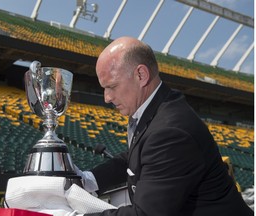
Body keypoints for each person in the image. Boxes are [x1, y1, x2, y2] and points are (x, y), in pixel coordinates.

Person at [76, 36, 253, 216]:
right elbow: (135, 159)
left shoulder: (170, 131)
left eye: (112, 86)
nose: (107, 97)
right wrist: (90, 179)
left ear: (141, 75)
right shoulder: (156, 110)